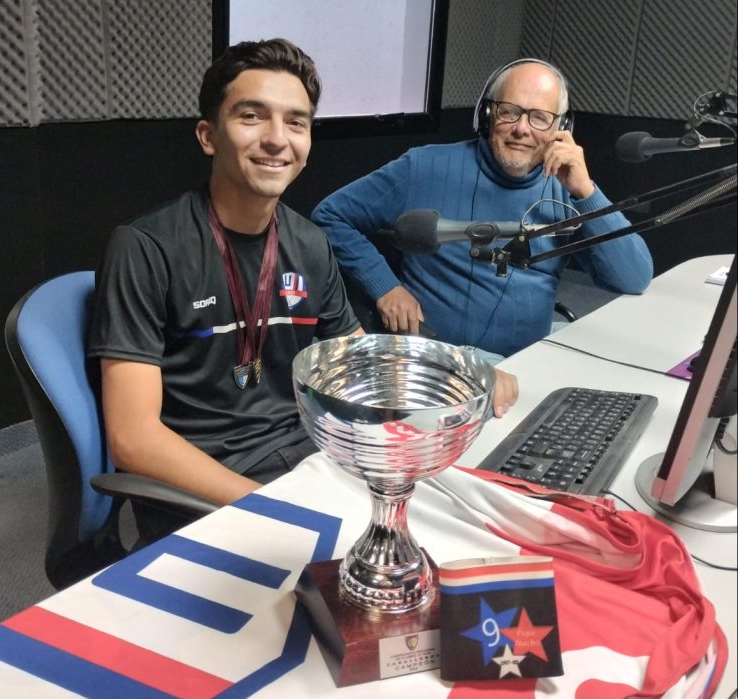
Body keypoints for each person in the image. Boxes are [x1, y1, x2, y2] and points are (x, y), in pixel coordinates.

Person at [88, 39, 519, 537]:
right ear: (208, 135)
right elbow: (132, 437)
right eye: (252, 116)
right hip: (209, 494)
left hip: (309, 462)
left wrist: (464, 371)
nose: (277, 139)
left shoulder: (309, 243)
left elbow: (364, 363)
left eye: (296, 122)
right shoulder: (145, 248)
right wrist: (270, 506)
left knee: (462, 524)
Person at [312, 58, 654, 361]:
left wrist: (586, 191)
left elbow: (634, 278)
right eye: (510, 111)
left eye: (539, 118)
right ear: (488, 115)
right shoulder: (425, 167)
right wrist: (385, 287)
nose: (522, 129)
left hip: (526, 365)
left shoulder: (568, 190)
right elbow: (331, 215)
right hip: (437, 364)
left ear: (561, 129)